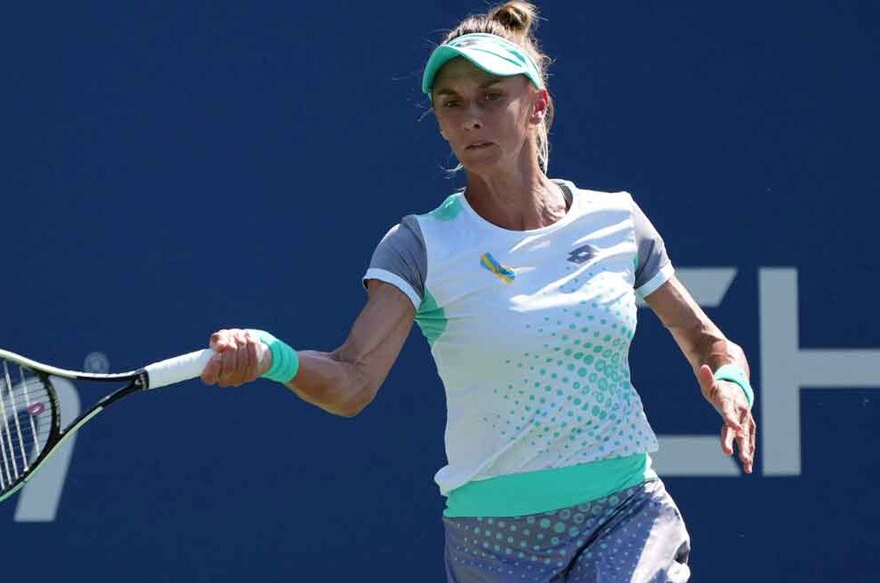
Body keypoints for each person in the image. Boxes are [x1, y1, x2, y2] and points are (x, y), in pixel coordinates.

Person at [199, 2, 757, 581]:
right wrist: (273, 357)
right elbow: (352, 381)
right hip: (494, 542)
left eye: (492, 97)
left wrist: (731, 382)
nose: (471, 118)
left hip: (626, 511)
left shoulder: (617, 222)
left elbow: (708, 343)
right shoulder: (420, 245)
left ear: (538, 105)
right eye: (452, 104)